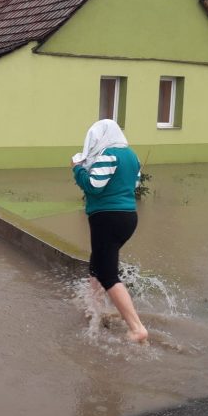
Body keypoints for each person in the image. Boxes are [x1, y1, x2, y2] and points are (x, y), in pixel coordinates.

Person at [71, 119, 148, 343]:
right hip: (128, 218)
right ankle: (94, 310)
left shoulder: (109, 154)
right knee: (97, 264)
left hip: (107, 218)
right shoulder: (131, 155)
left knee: (107, 273)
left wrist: (77, 169)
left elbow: (94, 186)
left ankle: (136, 328)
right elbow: (133, 185)